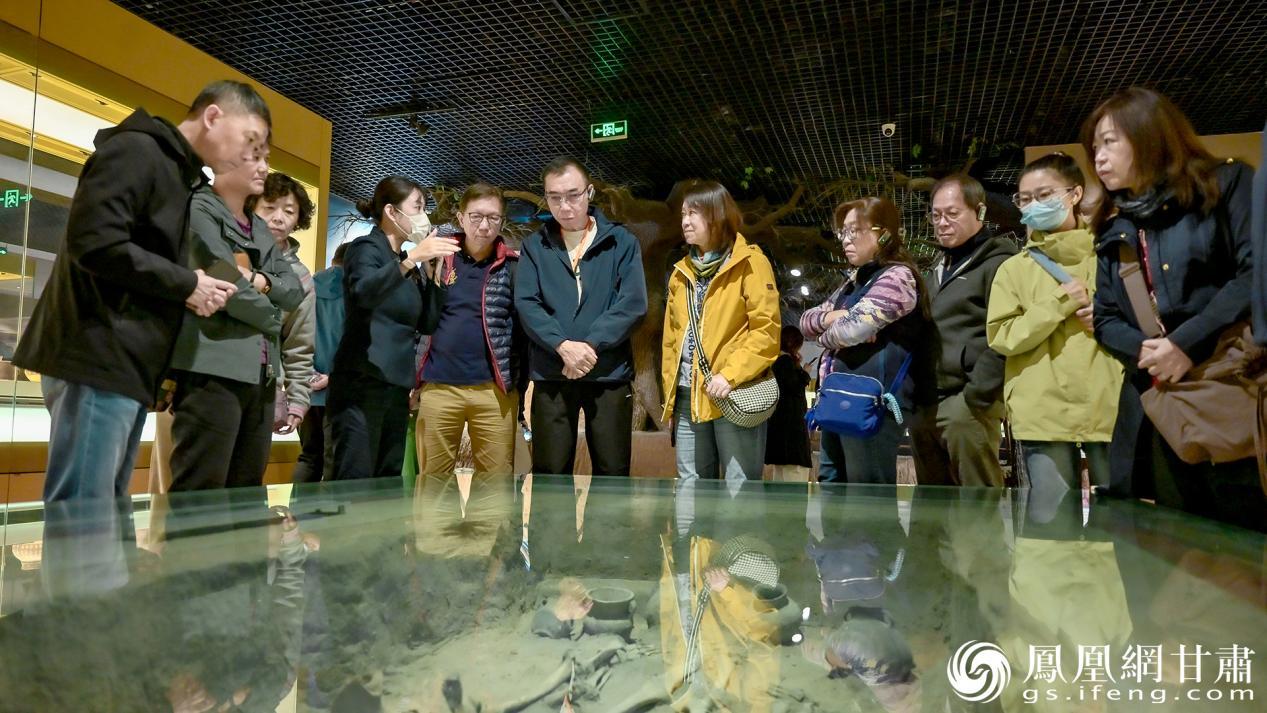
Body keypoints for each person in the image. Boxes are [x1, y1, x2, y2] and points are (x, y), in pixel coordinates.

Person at [13, 80, 265, 510]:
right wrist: (188, 284)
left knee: (104, 506)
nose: (250, 156)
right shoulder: (138, 150)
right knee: (86, 507)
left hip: (122, 362)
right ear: (213, 116)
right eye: (249, 140)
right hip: (96, 353)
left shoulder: (176, 172)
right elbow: (95, 242)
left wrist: (186, 285)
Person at [1083, 87, 1264, 530]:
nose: (1098, 158)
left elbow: (1253, 276)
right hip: (1157, 399)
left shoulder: (1227, 183)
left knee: (1243, 534)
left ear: (1149, 135)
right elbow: (1104, 317)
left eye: (1109, 142)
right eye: (1094, 148)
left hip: (1230, 383)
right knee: (1170, 540)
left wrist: (1184, 343)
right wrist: (1148, 352)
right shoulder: (1115, 224)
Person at [986, 153, 1123, 524]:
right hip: (1042, 408)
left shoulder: (1111, 254)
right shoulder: (1014, 270)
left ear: (1074, 194)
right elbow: (1002, 336)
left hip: (1108, 402)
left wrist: (1107, 318)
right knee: (1050, 523)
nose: (1033, 205)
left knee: (1118, 524)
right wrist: (1060, 302)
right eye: (1024, 198)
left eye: (1044, 195)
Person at [167, 141, 304, 492]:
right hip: (214, 367)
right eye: (254, 158)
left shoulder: (257, 227)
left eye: (265, 160)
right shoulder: (200, 206)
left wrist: (258, 280)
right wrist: (272, 315)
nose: (263, 168)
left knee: (248, 491)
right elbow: (222, 276)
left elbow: (293, 290)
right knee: (202, 488)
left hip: (263, 373)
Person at [515, 157, 647, 476]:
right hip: (552, 370)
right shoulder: (535, 246)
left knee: (612, 471)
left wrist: (589, 345)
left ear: (589, 192)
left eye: (573, 195)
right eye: (554, 197)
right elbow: (527, 303)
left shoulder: (621, 241)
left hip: (608, 370)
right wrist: (562, 345)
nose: (564, 206)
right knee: (549, 471)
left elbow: (633, 303)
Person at [328, 176, 460, 480]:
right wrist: (411, 259)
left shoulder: (404, 262)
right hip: (363, 379)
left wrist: (434, 278)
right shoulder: (366, 248)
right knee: (356, 474)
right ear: (391, 211)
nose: (423, 217)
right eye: (417, 207)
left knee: (387, 477)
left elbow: (426, 324)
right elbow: (364, 292)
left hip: (396, 384)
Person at [801, 197, 937, 484]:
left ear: (884, 233)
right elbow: (806, 323)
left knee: (867, 494)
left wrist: (837, 328)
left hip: (872, 405)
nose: (845, 239)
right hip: (838, 398)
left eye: (855, 230)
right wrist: (837, 318)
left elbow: (850, 330)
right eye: (843, 231)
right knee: (831, 485)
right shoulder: (852, 283)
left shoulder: (898, 277)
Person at [661, 180, 780, 484]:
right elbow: (671, 342)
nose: (685, 221)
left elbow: (766, 332)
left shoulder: (751, 263)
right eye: (683, 214)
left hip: (735, 391)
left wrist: (730, 375)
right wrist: (670, 400)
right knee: (690, 486)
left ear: (717, 215)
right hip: (688, 396)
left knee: (739, 488)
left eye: (694, 213)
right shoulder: (680, 273)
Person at [909, 174, 1017, 487]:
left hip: (967, 403)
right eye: (936, 215)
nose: (942, 223)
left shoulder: (1000, 263)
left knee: (977, 503)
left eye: (952, 213)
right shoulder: (937, 267)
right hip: (925, 402)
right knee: (930, 507)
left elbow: (1007, 334)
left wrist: (977, 395)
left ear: (979, 211)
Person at [416, 183, 527, 479]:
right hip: (439, 387)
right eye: (476, 216)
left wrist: (518, 383)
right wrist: (413, 379)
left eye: (493, 217)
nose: (484, 225)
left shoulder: (514, 267)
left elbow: (523, 332)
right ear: (461, 218)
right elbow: (417, 319)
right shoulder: (437, 258)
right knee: (433, 481)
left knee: (495, 483)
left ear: (502, 221)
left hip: (494, 390)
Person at [248, 171, 317, 438]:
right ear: (251, 208)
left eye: (289, 211)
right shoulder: (229, 250)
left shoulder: (301, 277)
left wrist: (298, 399)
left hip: (264, 385)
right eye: (269, 207)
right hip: (210, 376)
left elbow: (299, 344)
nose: (278, 218)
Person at [292, 242, 348, 484]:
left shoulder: (307, 286)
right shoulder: (354, 292)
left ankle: (299, 510)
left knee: (308, 457)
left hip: (306, 387)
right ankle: (329, 510)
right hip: (339, 389)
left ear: (333, 260)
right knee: (334, 460)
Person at [763, 326, 812, 482]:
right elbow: (794, 387)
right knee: (795, 476)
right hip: (791, 433)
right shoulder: (785, 362)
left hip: (779, 429)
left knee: (780, 476)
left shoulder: (775, 361)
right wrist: (805, 373)